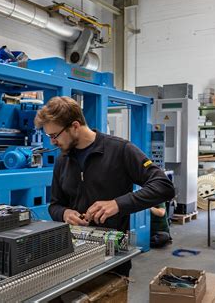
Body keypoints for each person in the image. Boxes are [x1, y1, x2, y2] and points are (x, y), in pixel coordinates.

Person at [34, 96, 175, 276]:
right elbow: (54, 205)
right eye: (49, 136)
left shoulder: (120, 150)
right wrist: (65, 213)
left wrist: (117, 204)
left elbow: (164, 186)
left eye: (54, 135)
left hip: (114, 257)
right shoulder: (63, 159)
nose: (52, 142)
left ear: (75, 126)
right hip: (75, 254)